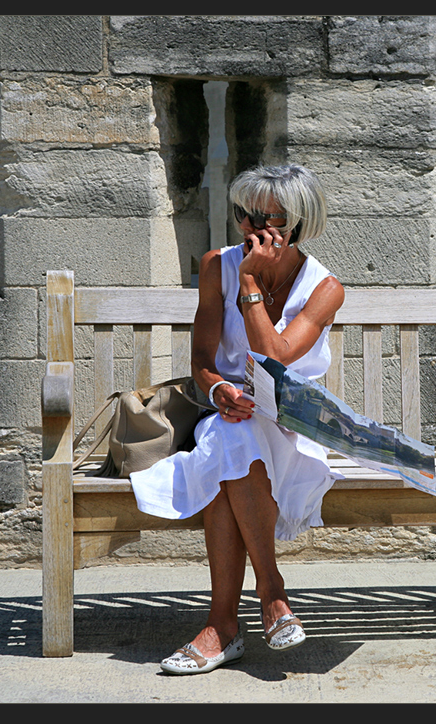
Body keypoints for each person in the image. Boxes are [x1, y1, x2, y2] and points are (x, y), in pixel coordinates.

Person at [129, 163, 346, 675]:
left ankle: (224, 624)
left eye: (264, 218)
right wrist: (220, 387)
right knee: (234, 434)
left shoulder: (325, 288)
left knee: (233, 446)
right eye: (242, 214)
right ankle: (271, 593)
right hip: (230, 416)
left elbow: (273, 354)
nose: (248, 227)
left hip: (294, 424)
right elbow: (203, 361)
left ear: (295, 222)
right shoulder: (214, 265)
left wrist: (248, 282)